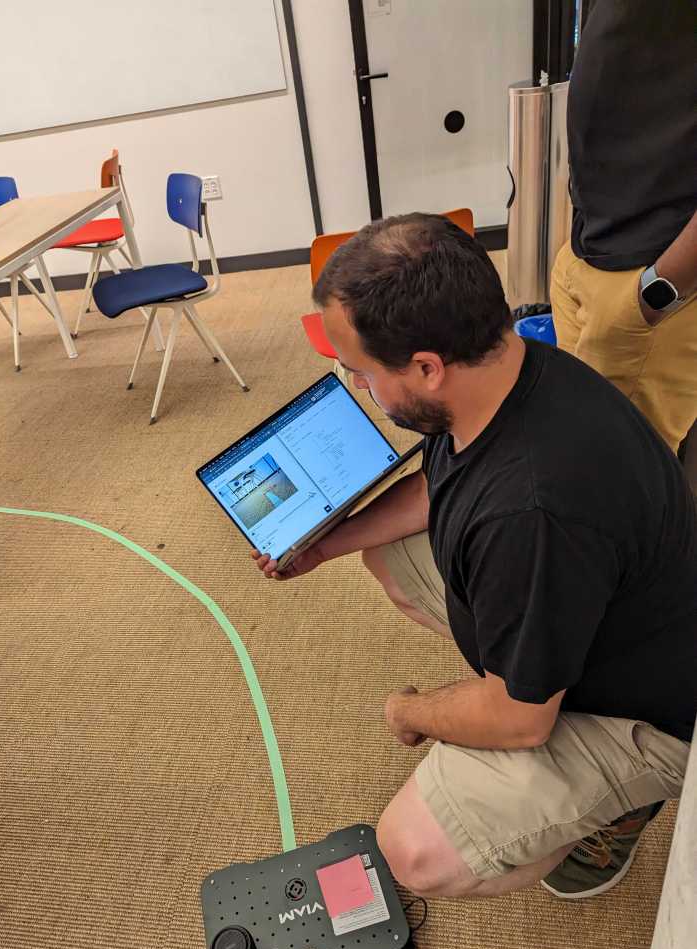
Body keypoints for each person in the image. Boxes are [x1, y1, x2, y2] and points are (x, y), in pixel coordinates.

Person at [252, 214, 696, 900]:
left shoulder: (531, 514)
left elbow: (522, 720)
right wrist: (327, 545)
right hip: (599, 612)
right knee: (387, 552)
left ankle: (616, 806)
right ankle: (524, 666)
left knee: (413, 852)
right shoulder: (508, 371)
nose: (359, 386)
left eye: (362, 372)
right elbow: (440, 483)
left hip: (655, 721)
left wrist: (411, 710)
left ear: (427, 368)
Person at [551, 0, 697, 455]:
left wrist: (657, 294)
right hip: (588, 249)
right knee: (569, 443)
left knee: (609, 483)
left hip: (653, 280)